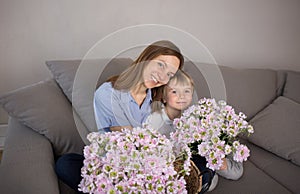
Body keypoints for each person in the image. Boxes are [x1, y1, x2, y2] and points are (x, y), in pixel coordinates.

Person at [55, 40, 184, 192]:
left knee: (197, 163)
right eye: (160, 65)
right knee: (65, 164)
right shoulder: (108, 93)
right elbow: (128, 141)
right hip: (117, 164)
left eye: (169, 74)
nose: (162, 77)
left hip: (150, 167)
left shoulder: (157, 102)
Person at [144, 70, 243, 193]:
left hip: (194, 163)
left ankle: (207, 176)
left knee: (213, 176)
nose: (182, 96)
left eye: (187, 91)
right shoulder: (154, 119)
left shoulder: (196, 118)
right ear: (164, 97)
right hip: (168, 166)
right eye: (174, 91)